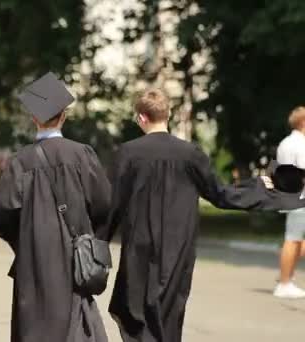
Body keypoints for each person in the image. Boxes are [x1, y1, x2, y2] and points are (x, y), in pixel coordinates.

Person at [100, 88, 305, 342]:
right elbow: (220, 195)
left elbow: (111, 203)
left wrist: (98, 241)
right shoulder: (190, 153)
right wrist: (259, 187)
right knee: (170, 309)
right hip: (179, 245)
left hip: (139, 245)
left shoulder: (127, 153)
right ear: (169, 114)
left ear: (141, 117)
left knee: (135, 308)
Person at [0, 72, 112, 342]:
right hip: (74, 261)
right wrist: (89, 237)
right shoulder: (82, 155)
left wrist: (25, 242)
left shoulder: (18, 162)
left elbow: (2, 216)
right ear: (64, 116)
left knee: (33, 326)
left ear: (34, 119)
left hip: (33, 262)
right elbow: (104, 204)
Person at [274, 106, 305, 298]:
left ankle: (285, 276)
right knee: (293, 239)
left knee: (294, 239)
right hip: (300, 197)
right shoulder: (301, 144)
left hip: (289, 195)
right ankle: (284, 282)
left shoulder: (286, 142)